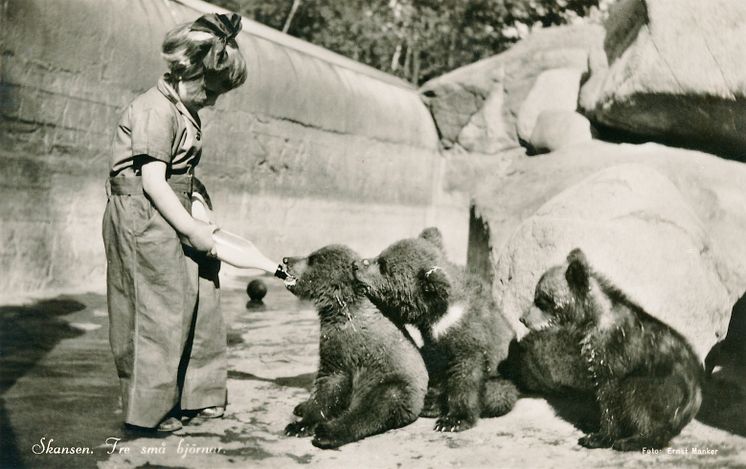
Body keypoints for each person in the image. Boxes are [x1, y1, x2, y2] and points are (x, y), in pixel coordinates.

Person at [102, 12, 247, 432]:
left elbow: (181, 176)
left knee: (201, 297)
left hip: (174, 206)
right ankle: (150, 409)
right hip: (143, 216)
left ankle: (199, 395)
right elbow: (152, 180)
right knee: (155, 309)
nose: (214, 100)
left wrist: (198, 206)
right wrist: (189, 228)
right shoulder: (154, 110)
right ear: (189, 71)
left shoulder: (183, 108)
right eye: (212, 90)